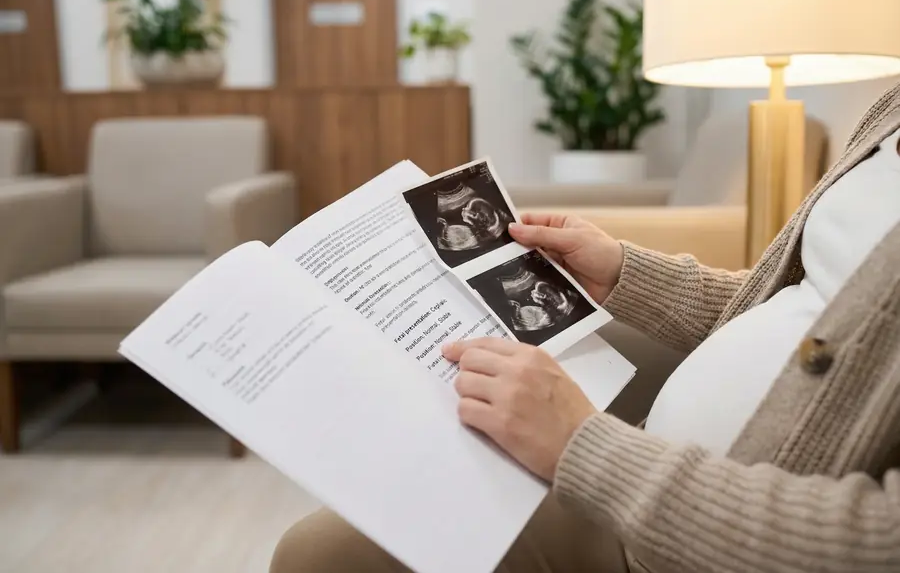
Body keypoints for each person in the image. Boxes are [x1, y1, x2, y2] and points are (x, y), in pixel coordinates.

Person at [270, 85, 900, 573]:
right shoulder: (890, 111)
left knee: (323, 556)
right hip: (647, 471)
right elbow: (802, 311)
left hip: (695, 524)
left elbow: (876, 542)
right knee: (325, 544)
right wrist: (628, 274)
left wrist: (582, 445)